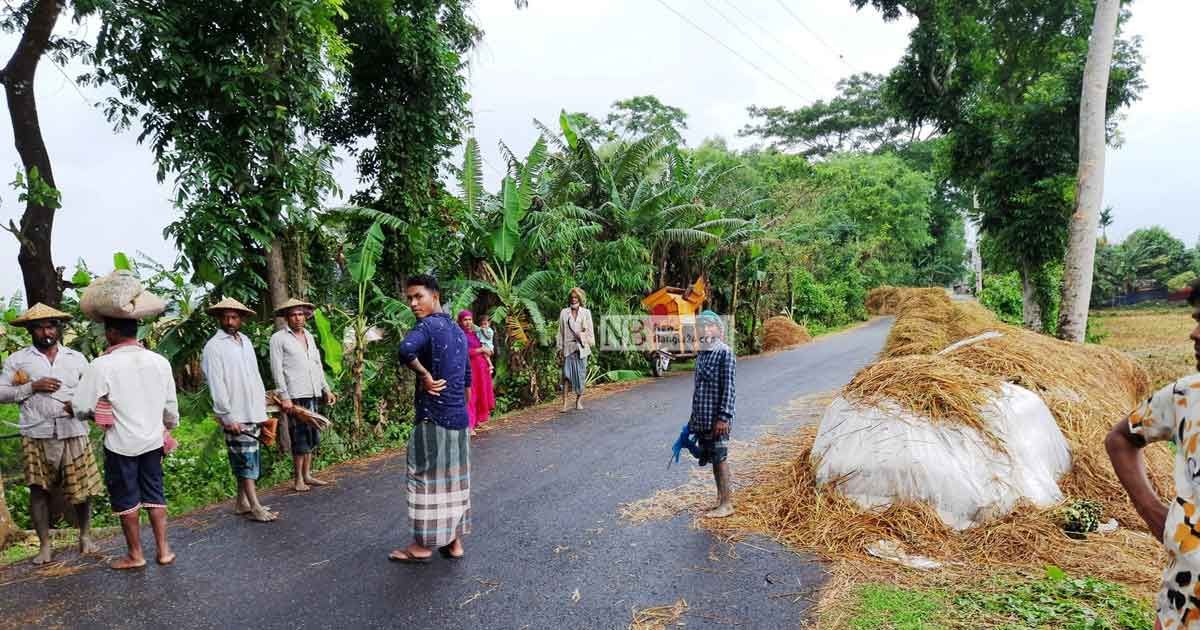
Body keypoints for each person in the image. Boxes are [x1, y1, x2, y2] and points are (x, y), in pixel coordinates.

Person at [1107, 279, 1200, 629]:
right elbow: (1120, 439)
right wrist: (1152, 511)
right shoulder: (1185, 397)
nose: (1194, 333)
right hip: (1182, 609)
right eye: (1196, 318)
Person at [73, 317, 179, 570]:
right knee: (155, 493)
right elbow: (171, 409)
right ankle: (164, 550)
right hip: (153, 441)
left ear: (111, 333)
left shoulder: (101, 366)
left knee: (126, 498)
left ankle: (135, 554)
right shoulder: (159, 362)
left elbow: (80, 406)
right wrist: (166, 427)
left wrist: (92, 412)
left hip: (121, 444)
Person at [0, 304, 101, 564]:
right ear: (30, 331)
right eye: (39, 327)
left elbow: (93, 392)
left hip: (73, 430)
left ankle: (85, 536)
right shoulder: (18, 360)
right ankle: (44, 545)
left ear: (59, 328)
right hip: (37, 432)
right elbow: (1, 393)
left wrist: (78, 407)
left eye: (51, 326)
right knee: (38, 490)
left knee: (82, 490)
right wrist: (32, 387)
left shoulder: (76, 358)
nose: (46, 332)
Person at [389, 275, 471, 563]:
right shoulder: (458, 330)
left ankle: (422, 546)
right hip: (458, 419)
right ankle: (454, 542)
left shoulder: (427, 326)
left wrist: (424, 375)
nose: (412, 303)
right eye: (409, 298)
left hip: (433, 417)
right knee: (453, 481)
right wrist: (463, 411)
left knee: (425, 478)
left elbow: (405, 350)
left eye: (418, 296)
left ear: (435, 296)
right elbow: (467, 377)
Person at [201, 297, 276, 523]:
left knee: (250, 455)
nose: (229, 321)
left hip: (252, 408)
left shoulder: (244, 340)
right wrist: (226, 415)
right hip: (235, 412)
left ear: (241, 319)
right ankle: (255, 506)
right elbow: (216, 382)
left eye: (234, 317)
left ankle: (241, 502)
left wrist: (262, 401)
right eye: (225, 317)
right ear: (219, 318)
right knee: (244, 459)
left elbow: (253, 374)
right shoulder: (214, 347)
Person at [269, 298, 337, 492]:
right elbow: (276, 369)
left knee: (312, 434)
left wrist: (326, 389)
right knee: (299, 436)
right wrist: (284, 396)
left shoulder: (309, 335)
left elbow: (317, 364)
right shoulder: (278, 338)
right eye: (293, 315)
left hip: (313, 390)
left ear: (305, 316)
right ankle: (298, 479)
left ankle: (308, 474)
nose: (298, 318)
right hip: (295, 394)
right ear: (286, 318)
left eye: (301, 314)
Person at [690, 310, 737, 518]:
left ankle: (727, 504)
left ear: (718, 329)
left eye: (710, 325)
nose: (705, 329)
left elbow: (729, 388)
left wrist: (724, 417)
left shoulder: (724, 352)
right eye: (702, 326)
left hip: (718, 420)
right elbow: (698, 389)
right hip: (704, 418)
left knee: (720, 458)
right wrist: (693, 420)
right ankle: (720, 500)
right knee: (713, 458)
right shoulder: (702, 352)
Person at [556, 287, 595, 412]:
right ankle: (565, 404)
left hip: (581, 349)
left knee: (580, 376)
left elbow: (590, 332)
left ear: (580, 299)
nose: (573, 299)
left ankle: (578, 401)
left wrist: (581, 336)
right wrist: (560, 348)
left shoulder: (586, 313)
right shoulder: (564, 312)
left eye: (576, 297)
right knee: (566, 376)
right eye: (572, 297)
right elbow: (560, 332)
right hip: (568, 348)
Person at [458, 310, 495, 435]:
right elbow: (463, 352)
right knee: (471, 395)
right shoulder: (459, 335)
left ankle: (480, 421)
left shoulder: (476, 334)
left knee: (481, 393)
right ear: (460, 321)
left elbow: (487, 346)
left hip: (482, 369)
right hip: (470, 369)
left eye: (470, 319)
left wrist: (488, 351)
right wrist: (480, 349)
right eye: (465, 320)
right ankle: (469, 425)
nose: (468, 322)